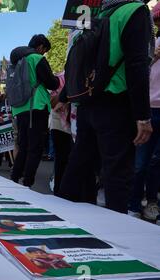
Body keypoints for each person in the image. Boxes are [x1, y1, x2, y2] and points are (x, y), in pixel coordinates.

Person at [59, 0, 154, 214]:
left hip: (87, 101)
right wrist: (142, 115)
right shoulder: (134, 11)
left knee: (78, 166)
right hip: (116, 102)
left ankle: (56, 220)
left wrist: (66, 97)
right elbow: (137, 65)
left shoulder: (97, 14)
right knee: (117, 175)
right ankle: (115, 235)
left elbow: (76, 61)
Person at [10, 34, 60, 187]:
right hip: (36, 106)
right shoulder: (36, 58)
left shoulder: (18, 60)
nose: (44, 54)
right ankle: (28, 183)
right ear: (40, 47)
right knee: (35, 147)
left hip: (20, 108)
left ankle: (14, 178)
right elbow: (52, 83)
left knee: (23, 145)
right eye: (45, 50)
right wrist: (58, 79)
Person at [129, 2, 160, 221]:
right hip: (148, 108)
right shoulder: (150, 42)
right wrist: (154, 56)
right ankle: (133, 203)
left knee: (157, 162)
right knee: (140, 162)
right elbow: (137, 68)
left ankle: (152, 203)